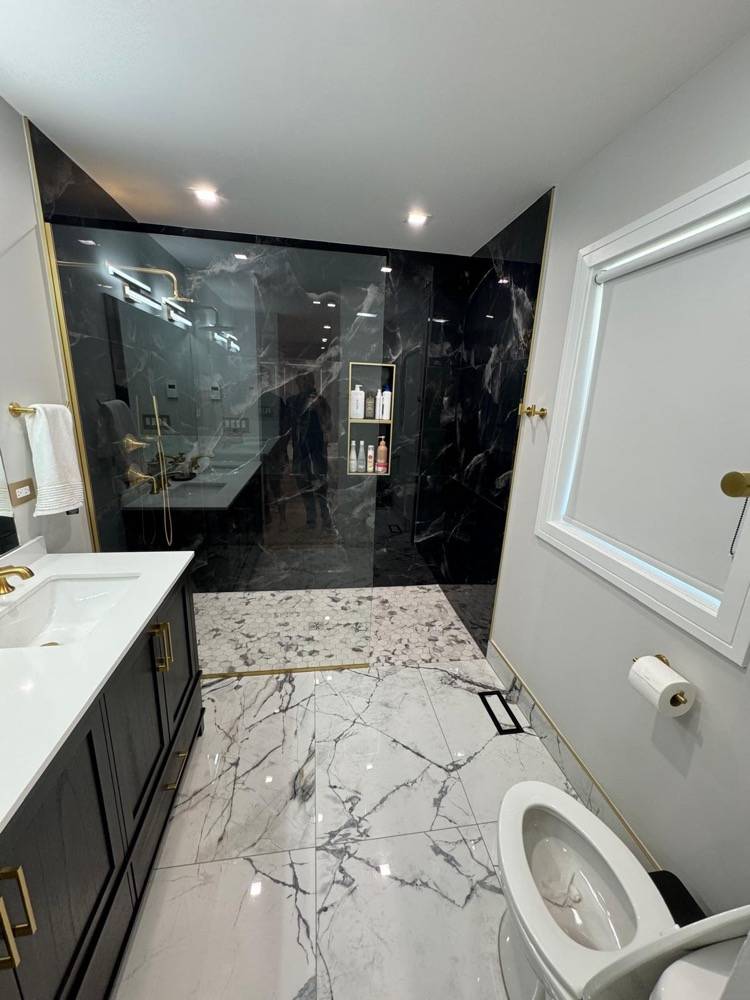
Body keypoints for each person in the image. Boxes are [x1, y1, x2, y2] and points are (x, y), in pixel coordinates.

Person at [287, 372, 333, 530]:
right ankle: (311, 519)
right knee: (304, 487)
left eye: (306, 381)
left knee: (321, 488)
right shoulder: (293, 402)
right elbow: (290, 429)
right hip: (301, 453)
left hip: (317, 452)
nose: (303, 384)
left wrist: (318, 406)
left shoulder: (321, 401)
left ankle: (326, 519)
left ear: (312, 382)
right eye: (300, 381)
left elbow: (328, 426)